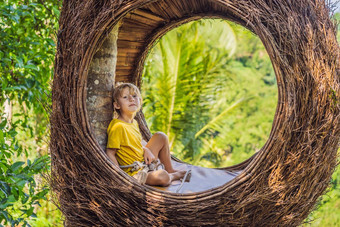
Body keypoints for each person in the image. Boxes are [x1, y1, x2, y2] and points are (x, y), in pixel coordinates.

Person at [106, 83, 187, 186]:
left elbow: (133, 144)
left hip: (144, 163)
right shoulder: (118, 126)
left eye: (134, 96)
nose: (131, 99)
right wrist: (120, 177)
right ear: (117, 105)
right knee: (163, 177)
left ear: (140, 101)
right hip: (134, 172)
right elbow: (110, 152)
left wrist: (146, 149)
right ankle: (173, 176)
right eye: (125, 97)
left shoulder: (134, 123)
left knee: (161, 136)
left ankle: (170, 169)